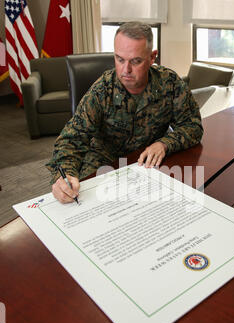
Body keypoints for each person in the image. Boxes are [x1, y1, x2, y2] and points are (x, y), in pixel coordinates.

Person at [46, 21, 203, 203]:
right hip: (104, 159)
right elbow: (70, 140)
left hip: (146, 161)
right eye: (119, 59)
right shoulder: (102, 90)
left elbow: (193, 126)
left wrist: (165, 144)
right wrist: (64, 176)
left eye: (135, 61)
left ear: (152, 57)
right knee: (83, 202)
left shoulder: (170, 83)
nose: (125, 70)